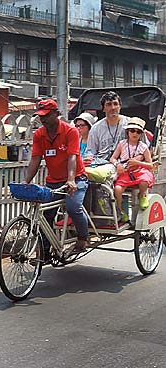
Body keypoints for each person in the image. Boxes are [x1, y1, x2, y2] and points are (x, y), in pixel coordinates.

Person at [25, 99, 89, 253]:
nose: (43, 120)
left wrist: (71, 179)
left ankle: (83, 238)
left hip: (77, 178)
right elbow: (35, 158)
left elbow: (72, 157)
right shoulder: (39, 134)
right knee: (44, 214)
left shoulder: (70, 131)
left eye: (46, 115)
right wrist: (26, 182)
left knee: (73, 207)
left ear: (56, 114)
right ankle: (44, 252)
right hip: (53, 182)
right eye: (41, 116)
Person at [109, 117, 154, 222]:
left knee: (144, 182)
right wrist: (117, 165)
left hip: (139, 171)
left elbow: (150, 164)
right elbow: (113, 158)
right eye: (132, 130)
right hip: (125, 172)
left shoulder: (143, 147)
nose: (135, 133)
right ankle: (120, 210)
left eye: (138, 132)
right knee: (117, 189)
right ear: (127, 131)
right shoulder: (122, 144)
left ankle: (142, 196)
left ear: (141, 134)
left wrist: (138, 163)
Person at [85, 91, 129, 166]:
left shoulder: (130, 124)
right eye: (109, 105)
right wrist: (88, 159)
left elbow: (144, 148)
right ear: (103, 108)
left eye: (115, 104)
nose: (113, 108)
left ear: (120, 106)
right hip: (101, 165)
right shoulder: (96, 128)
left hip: (125, 164)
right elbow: (90, 152)